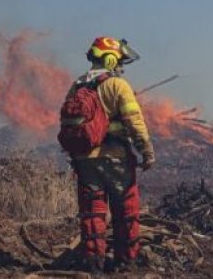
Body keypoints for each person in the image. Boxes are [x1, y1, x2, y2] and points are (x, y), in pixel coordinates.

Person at [64, 36, 155, 273]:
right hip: (116, 159)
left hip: (85, 160)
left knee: (92, 212)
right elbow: (134, 122)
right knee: (126, 210)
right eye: (120, 61)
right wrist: (146, 151)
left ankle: (93, 265)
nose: (121, 67)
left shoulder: (77, 86)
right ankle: (125, 262)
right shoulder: (117, 85)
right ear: (111, 59)